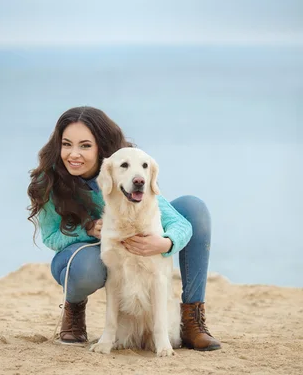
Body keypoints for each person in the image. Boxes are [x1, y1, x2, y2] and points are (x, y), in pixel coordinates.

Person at [27, 106, 221, 351]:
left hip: (133, 247)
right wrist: (87, 230)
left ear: (100, 147)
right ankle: (74, 309)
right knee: (87, 267)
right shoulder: (49, 181)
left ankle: (193, 320)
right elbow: (52, 237)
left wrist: (166, 243)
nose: (74, 154)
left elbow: (179, 223)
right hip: (79, 257)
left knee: (193, 208)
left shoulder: (123, 168)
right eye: (67, 144)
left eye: (85, 146)